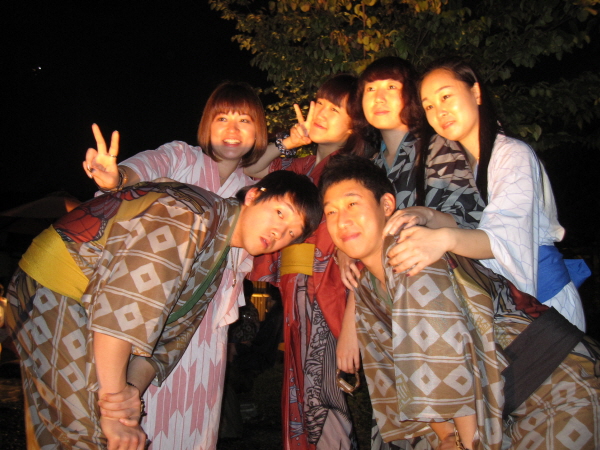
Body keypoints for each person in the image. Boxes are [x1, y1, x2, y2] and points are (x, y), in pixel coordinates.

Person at [5, 170, 322, 450]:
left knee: (81, 432)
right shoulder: (189, 214)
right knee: (88, 434)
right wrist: (114, 403)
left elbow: (172, 337)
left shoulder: (218, 253)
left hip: (85, 305)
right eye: (280, 213)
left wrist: (130, 394)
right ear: (253, 195)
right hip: (54, 288)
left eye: (292, 233)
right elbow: (123, 308)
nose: (280, 233)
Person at [319, 154, 599, 450]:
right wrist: (446, 436)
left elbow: (450, 365)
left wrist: (463, 443)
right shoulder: (367, 288)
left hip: (557, 385)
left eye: (352, 204)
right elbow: (400, 372)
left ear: (387, 205)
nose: (342, 220)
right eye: (331, 212)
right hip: (504, 405)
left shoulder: (415, 255)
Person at [83, 81, 269, 449]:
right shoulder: (182, 158)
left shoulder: (251, 190)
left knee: (197, 422)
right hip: (149, 311)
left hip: (208, 326)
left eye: (245, 120)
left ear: (258, 131)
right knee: (136, 412)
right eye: (222, 119)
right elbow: (143, 169)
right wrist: (116, 177)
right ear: (206, 125)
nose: (232, 129)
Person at [384, 58, 588, 331]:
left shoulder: (512, 155)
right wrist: (426, 215)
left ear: (476, 92)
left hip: (544, 303)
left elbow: (502, 237)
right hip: (504, 308)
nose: (439, 111)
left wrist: (442, 238)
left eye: (446, 96)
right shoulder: (458, 163)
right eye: (429, 106)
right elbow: (471, 225)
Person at [247, 74, 364, 450]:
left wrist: (351, 328)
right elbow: (252, 171)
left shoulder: (352, 170)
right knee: (300, 386)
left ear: (354, 124)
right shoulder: (300, 165)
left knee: (323, 393)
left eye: (335, 109)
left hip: (330, 289)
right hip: (297, 289)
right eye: (320, 104)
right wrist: (290, 141)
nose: (321, 114)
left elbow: (358, 248)